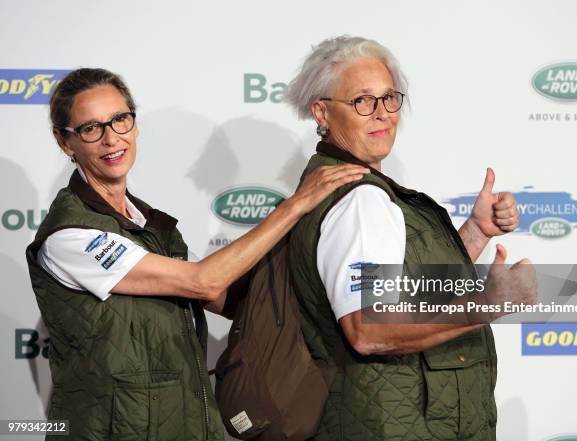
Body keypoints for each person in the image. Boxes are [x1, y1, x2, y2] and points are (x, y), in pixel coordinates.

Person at [25, 68, 369, 441]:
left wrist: (335, 287)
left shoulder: (151, 226)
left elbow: (222, 297)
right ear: (64, 142)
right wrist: (296, 207)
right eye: (91, 128)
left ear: (134, 124)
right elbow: (203, 280)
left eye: (120, 120)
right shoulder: (70, 236)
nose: (112, 139)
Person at [285, 36, 524, 441]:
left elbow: (408, 290)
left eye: (389, 98)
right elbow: (369, 329)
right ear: (321, 111)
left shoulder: (353, 188)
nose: (382, 114)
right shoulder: (360, 201)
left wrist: (475, 232)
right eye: (362, 101)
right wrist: (483, 305)